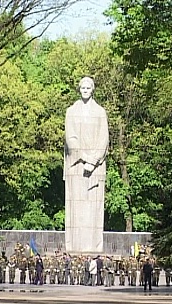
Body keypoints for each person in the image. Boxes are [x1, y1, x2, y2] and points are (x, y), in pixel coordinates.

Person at [64, 76, 109, 253]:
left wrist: (94, 160)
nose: (85, 90)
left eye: (88, 87)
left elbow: (104, 139)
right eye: (82, 87)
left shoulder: (100, 112)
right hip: (76, 166)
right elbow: (70, 138)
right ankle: (74, 247)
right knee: (76, 211)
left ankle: (94, 248)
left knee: (94, 211)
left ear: (93, 90)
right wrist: (84, 158)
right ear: (79, 89)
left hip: (96, 168)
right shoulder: (71, 111)